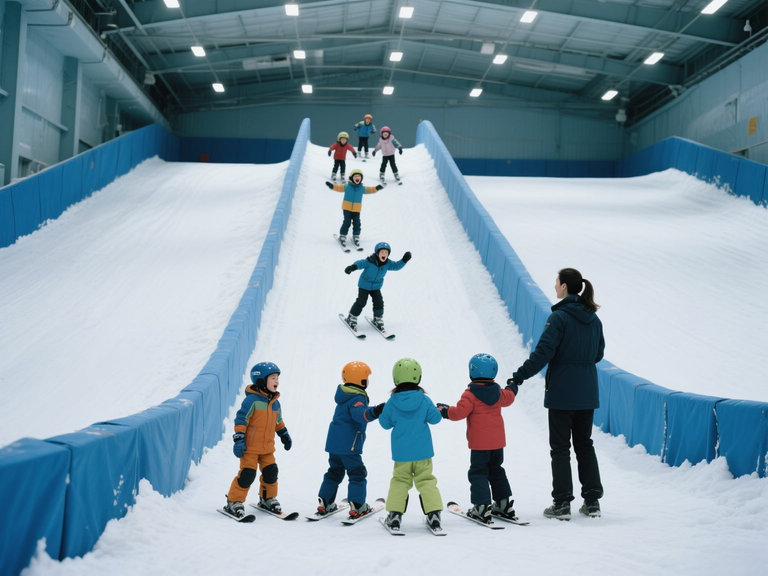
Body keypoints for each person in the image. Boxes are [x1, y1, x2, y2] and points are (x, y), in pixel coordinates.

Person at [507, 268, 605, 521]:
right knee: (584, 444)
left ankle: (562, 503)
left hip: (562, 392)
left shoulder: (559, 318)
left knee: (560, 448)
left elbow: (542, 354)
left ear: (563, 287)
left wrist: (518, 377)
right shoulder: (594, 319)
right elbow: (598, 354)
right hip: (587, 392)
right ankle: (592, 501)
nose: (554, 286)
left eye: (556, 282)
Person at [436, 353, 518, 523]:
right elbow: (509, 398)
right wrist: (512, 387)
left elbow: (458, 413)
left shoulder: (470, 394)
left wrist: (444, 411)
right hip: (497, 444)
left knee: (478, 472)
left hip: (480, 445)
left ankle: (482, 507)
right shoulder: (498, 392)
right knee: (496, 470)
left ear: (472, 372)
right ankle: (503, 504)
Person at [379, 358, 444, 531]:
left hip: (402, 454)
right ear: (418, 377)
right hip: (423, 452)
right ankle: (434, 514)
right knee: (426, 481)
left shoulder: (393, 402)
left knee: (400, 481)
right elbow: (435, 419)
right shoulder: (424, 400)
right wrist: (436, 410)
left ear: (396, 378)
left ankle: (394, 515)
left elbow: (384, 423)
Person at [316, 361, 385, 519]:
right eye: (367, 378)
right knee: (357, 473)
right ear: (361, 380)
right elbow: (361, 415)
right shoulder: (357, 398)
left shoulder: (344, 396)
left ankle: (325, 502)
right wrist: (376, 410)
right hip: (349, 446)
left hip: (334, 444)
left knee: (334, 472)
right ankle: (358, 506)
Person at [224, 362, 293, 518]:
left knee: (271, 472)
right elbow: (241, 420)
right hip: (250, 449)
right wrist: (239, 439)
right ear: (261, 380)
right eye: (273, 378)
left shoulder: (275, 403)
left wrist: (284, 435)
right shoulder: (252, 401)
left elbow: (278, 422)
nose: (277, 381)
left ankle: (267, 498)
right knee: (247, 474)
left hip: (267, 449)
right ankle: (234, 501)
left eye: (277, 378)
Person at [342, 241, 411, 332]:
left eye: (386, 253)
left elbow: (396, 266)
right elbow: (360, 263)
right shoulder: (369, 261)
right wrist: (352, 267)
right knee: (361, 302)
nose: (384, 254)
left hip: (376, 287)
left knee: (379, 302)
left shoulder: (388, 263)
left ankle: (377, 318)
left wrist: (404, 260)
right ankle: (352, 317)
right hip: (364, 285)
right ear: (377, 253)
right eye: (382, 252)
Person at [325, 169, 384, 249]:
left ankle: (356, 236)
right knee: (347, 222)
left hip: (356, 209)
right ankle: (342, 236)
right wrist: (332, 186)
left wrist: (376, 188)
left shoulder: (362, 188)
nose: (357, 178)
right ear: (352, 178)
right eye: (356, 176)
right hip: (347, 208)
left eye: (359, 177)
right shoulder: (347, 186)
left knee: (357, 223)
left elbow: (370, 190)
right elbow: (339, 188)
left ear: (361, 179)